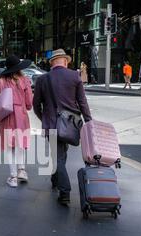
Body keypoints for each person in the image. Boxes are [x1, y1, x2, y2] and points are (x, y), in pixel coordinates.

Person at [33, 49, 93, 206]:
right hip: (70, 124)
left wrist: (44, 118)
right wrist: (89, 122)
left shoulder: (42, 79)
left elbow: (35, 105)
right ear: (65, 62)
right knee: (60, 155)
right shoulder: (74, 76)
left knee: (58, 155)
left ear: (52, 62)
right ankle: (60, 185)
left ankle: (61, 186)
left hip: (51, 125)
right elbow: (82, 102)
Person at [0, 56, 33, 188]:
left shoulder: (1, 81)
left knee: (10, 147)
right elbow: (29, 104)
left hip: (7, 116)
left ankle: (13, 176)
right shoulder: (25, 80)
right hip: (21, 115)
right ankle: (22, 171)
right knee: (21, 144)